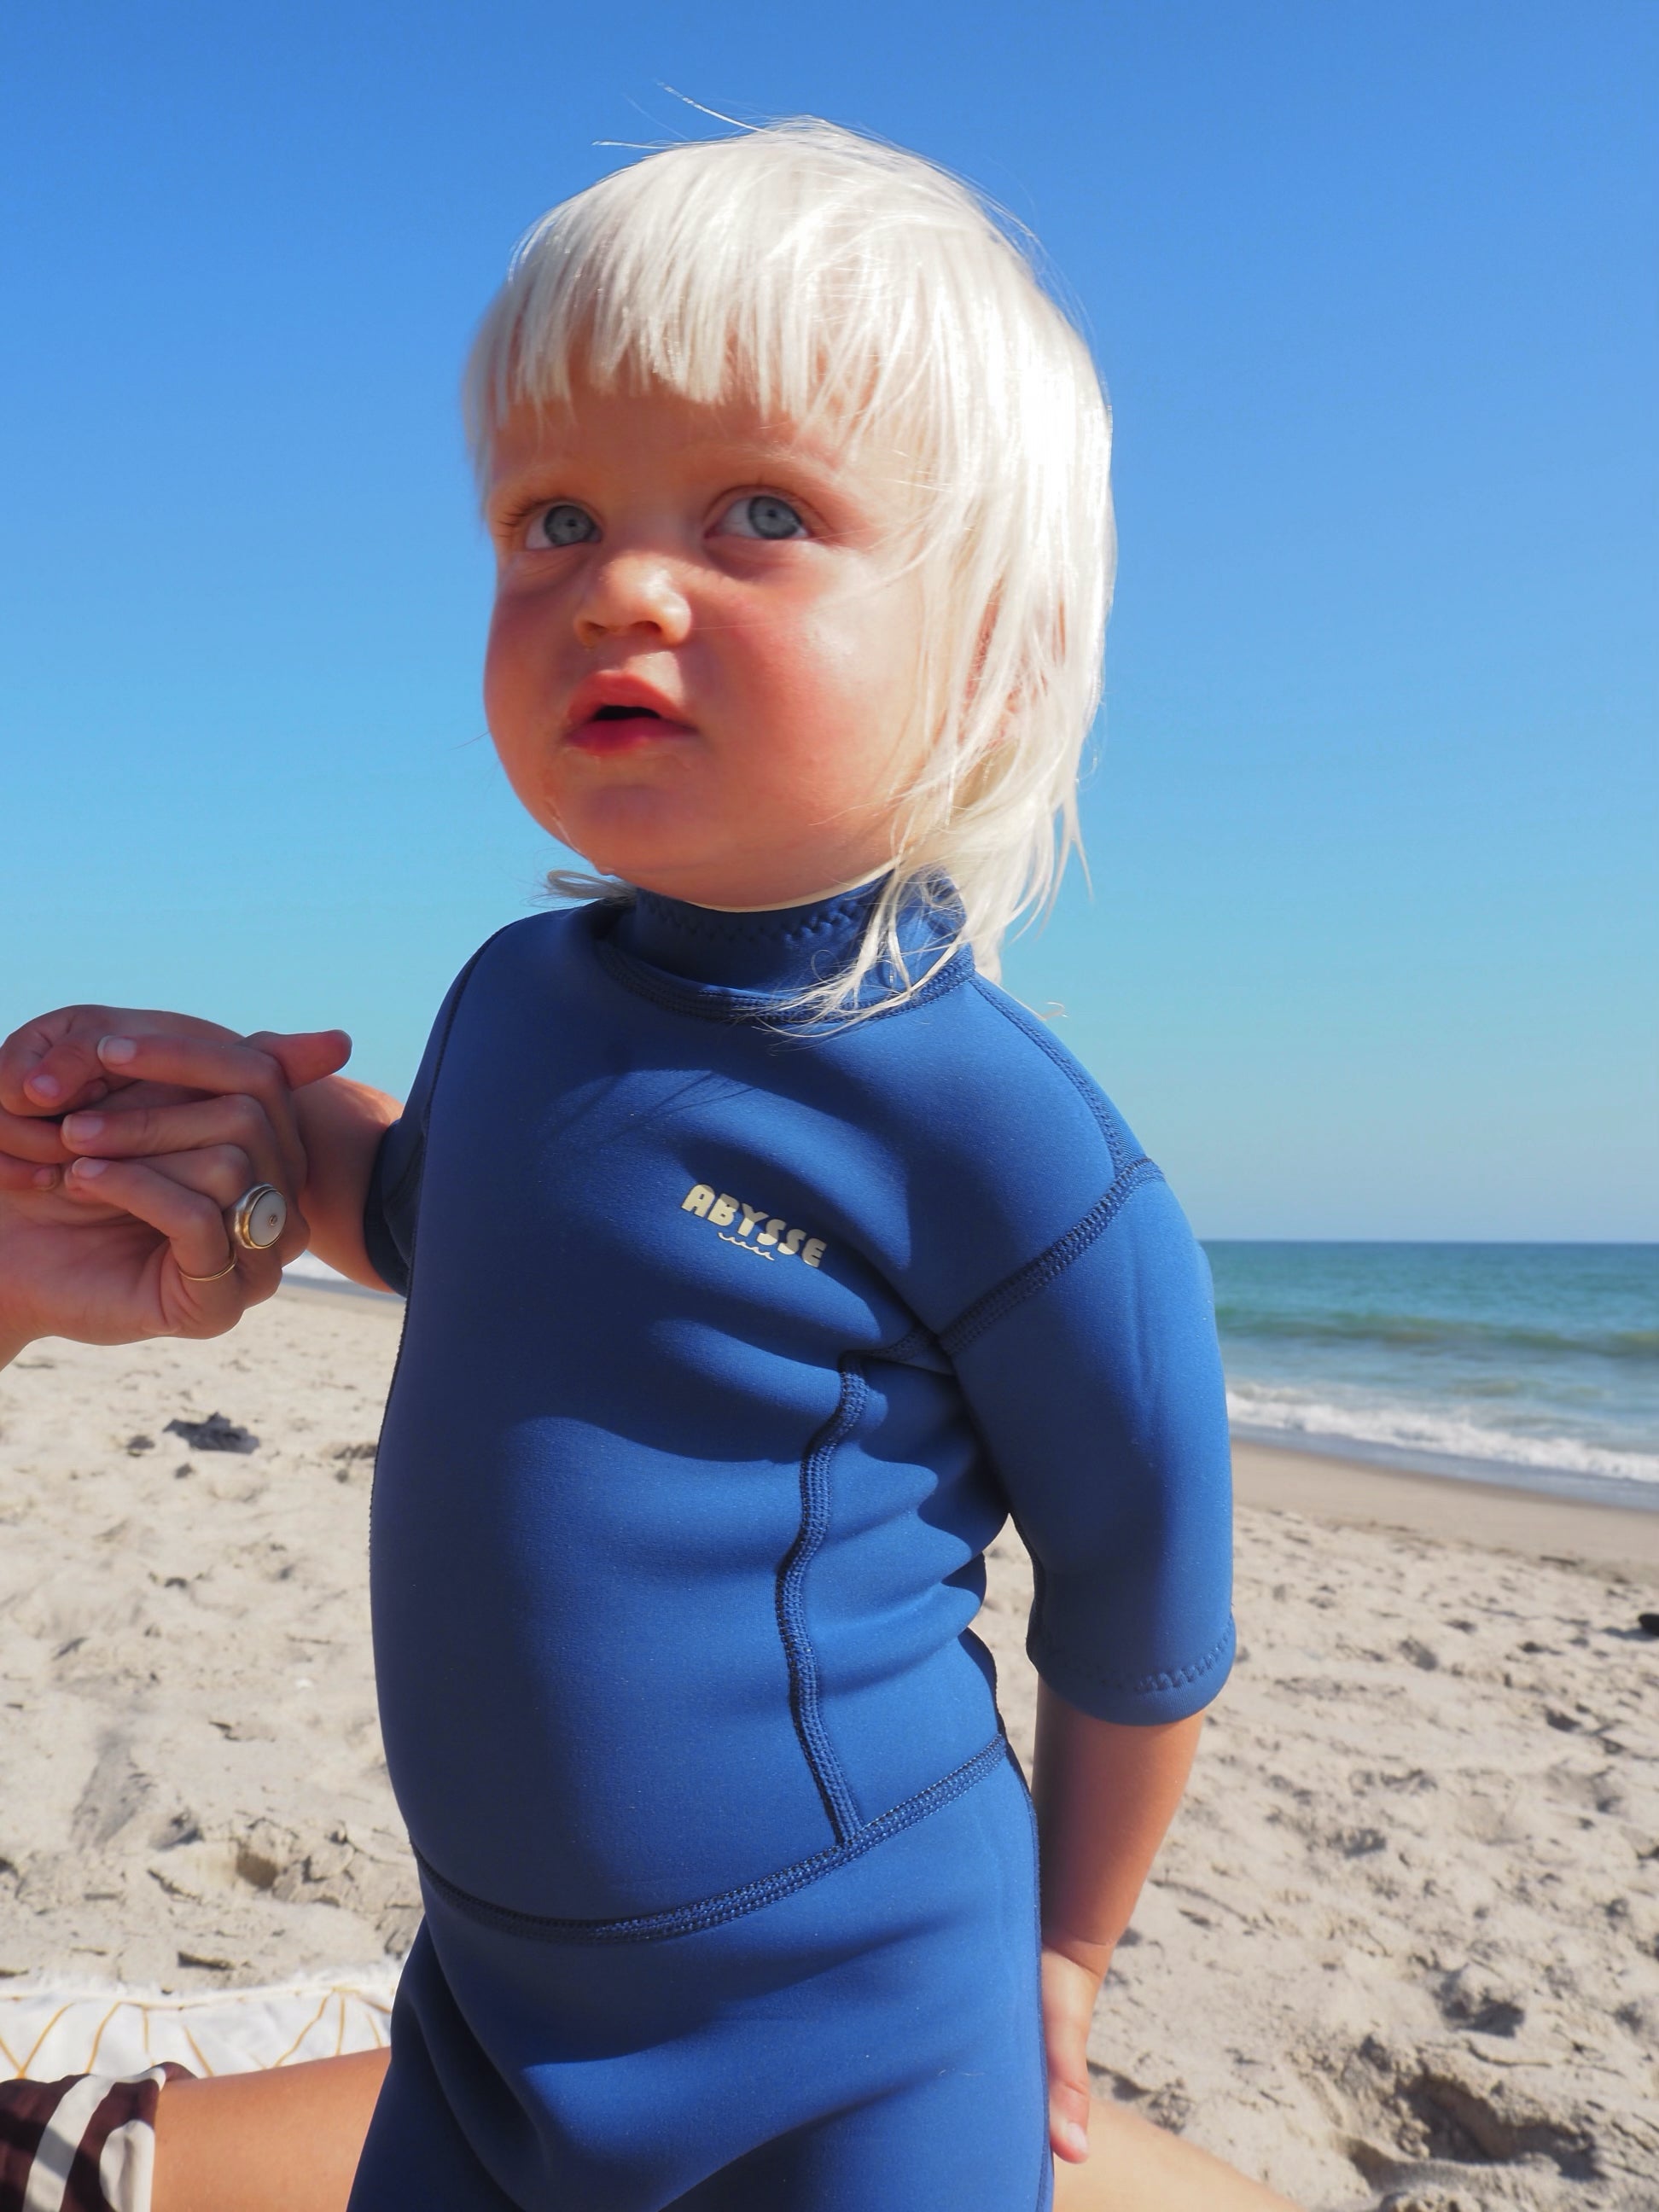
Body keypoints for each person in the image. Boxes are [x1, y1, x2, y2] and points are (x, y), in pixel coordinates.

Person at [0, 122, 1278, 2211]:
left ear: (996, 655)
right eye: (553, 516)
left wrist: (1065, 1943)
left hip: (852, 2024)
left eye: (761, 512)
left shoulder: (1002, 1135)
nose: (621, 583)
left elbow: (1142, 1611)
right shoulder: (518, 998)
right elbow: (430, 1222)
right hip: (491, 1992)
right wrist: (237, 1117)